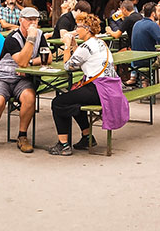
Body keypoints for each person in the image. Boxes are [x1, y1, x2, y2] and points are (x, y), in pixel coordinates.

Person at [48, 12, 129, 155]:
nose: (76, 30)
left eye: (78, 27)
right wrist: (73, 45)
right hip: (111, 89)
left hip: (99, 90)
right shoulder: (100, 43)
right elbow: (79, 60)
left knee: (58, 102)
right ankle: (86, 137)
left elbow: (68, 66)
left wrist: (67, 46)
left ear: (86, 29)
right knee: (74, 100)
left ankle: (64, 145)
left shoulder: (86, 47)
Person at [0, 7, 49, 154]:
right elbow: (22, 62)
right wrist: (31, 39)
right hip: (2, 77)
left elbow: (47, 57)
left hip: (22, 79)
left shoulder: (40, 34)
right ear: (21, 20)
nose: (33, 23)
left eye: (35, 20)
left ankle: (22, 136)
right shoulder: (12, 38)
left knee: (29, 97)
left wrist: (30, 63)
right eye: (29, 19)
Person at [128, 1, 160, 86]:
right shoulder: (152, 25)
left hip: (136, 61)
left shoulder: (137, 24)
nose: (158, 14)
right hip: (149, 61)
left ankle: (145, 82)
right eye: (157, 11)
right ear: (153, 14)